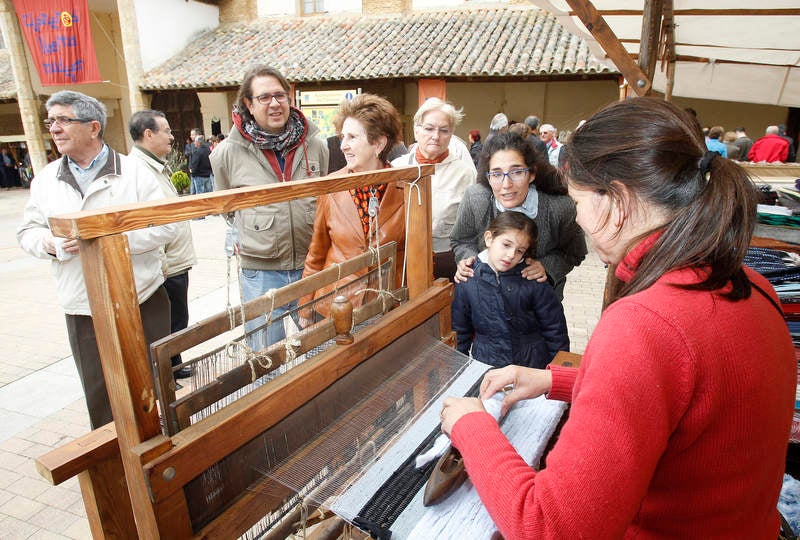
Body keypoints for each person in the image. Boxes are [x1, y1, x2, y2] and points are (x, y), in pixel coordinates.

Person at [439, 97, 795, 538]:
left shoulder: (645, 322)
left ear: (617, 200)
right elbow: (683, 392)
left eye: (578, 201)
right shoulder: (752, 285)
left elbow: (551, 527)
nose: (581, 221)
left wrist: (471, 426)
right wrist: (559, 381)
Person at [17, 91, 177, 429]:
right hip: (83, 307)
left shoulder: (134, 173)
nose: (54, 129)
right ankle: (115, 467)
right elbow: (26, 233)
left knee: (152, 387)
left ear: (93, 128)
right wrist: (50, 243)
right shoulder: (46, 180)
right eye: (51, 122)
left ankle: (162, 461)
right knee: (100, 395)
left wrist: (109, 240)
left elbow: (168, 225)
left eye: (63, 120)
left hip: (142, 299)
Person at [210, 65, 328, 348]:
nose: (274, 103)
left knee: (321, 349)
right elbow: (227, 208)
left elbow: (325, 198)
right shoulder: (227, 153)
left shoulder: (315, 144)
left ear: (290, 99)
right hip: (260, 272)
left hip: (311, 266)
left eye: (280, 95)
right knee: (264, 357)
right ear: (248, 105)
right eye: (264, 98)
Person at [301, 94, 404, 320]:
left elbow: (411, 255)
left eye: (352, 137)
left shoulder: (405, 189)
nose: (343, 145)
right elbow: (316, 253)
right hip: (335, 306)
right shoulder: (331, 186)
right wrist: (306, 307)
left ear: (379, 143)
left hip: (385, 306)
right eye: (342, 137)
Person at [450, 132, 586, 300]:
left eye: (516, 172)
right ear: (488, 176)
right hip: (487, 303)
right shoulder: (475, 198)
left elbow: (575, 252)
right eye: (497, 174)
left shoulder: (560, 208)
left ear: (532, 174)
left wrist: (546, 267)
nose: (506, 185)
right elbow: (461, 240)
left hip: (540, 308)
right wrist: (468, 260)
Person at [128, 110, 196, 381]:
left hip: (174, 260)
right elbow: (146, 224)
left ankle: (174, 367)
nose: (171, 136)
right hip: (165, 265)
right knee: (165, 324)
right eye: (165, 131)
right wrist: (162, 262)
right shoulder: (138, 172)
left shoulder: (155, 165)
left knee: (176, 319)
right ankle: (165, 377)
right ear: (148, 134)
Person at [452, 211, 568, 369]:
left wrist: (558, 373)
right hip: (486, 365)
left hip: (532, 367)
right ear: (489, 238)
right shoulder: (468, 278)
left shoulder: (533, 279)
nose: (511, 255)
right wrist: (458, 368)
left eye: (519, 250)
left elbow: (555, 329)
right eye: (506, 245)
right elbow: (460, 330)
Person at [392, 98, 476, 280]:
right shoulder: (395, 168)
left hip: (447, 261)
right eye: (429, 128)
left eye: (444, 130)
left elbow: (474, 227)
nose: (436, 136)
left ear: (452, 133)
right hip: (403, 260)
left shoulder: (465, 174)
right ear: (416, 130)